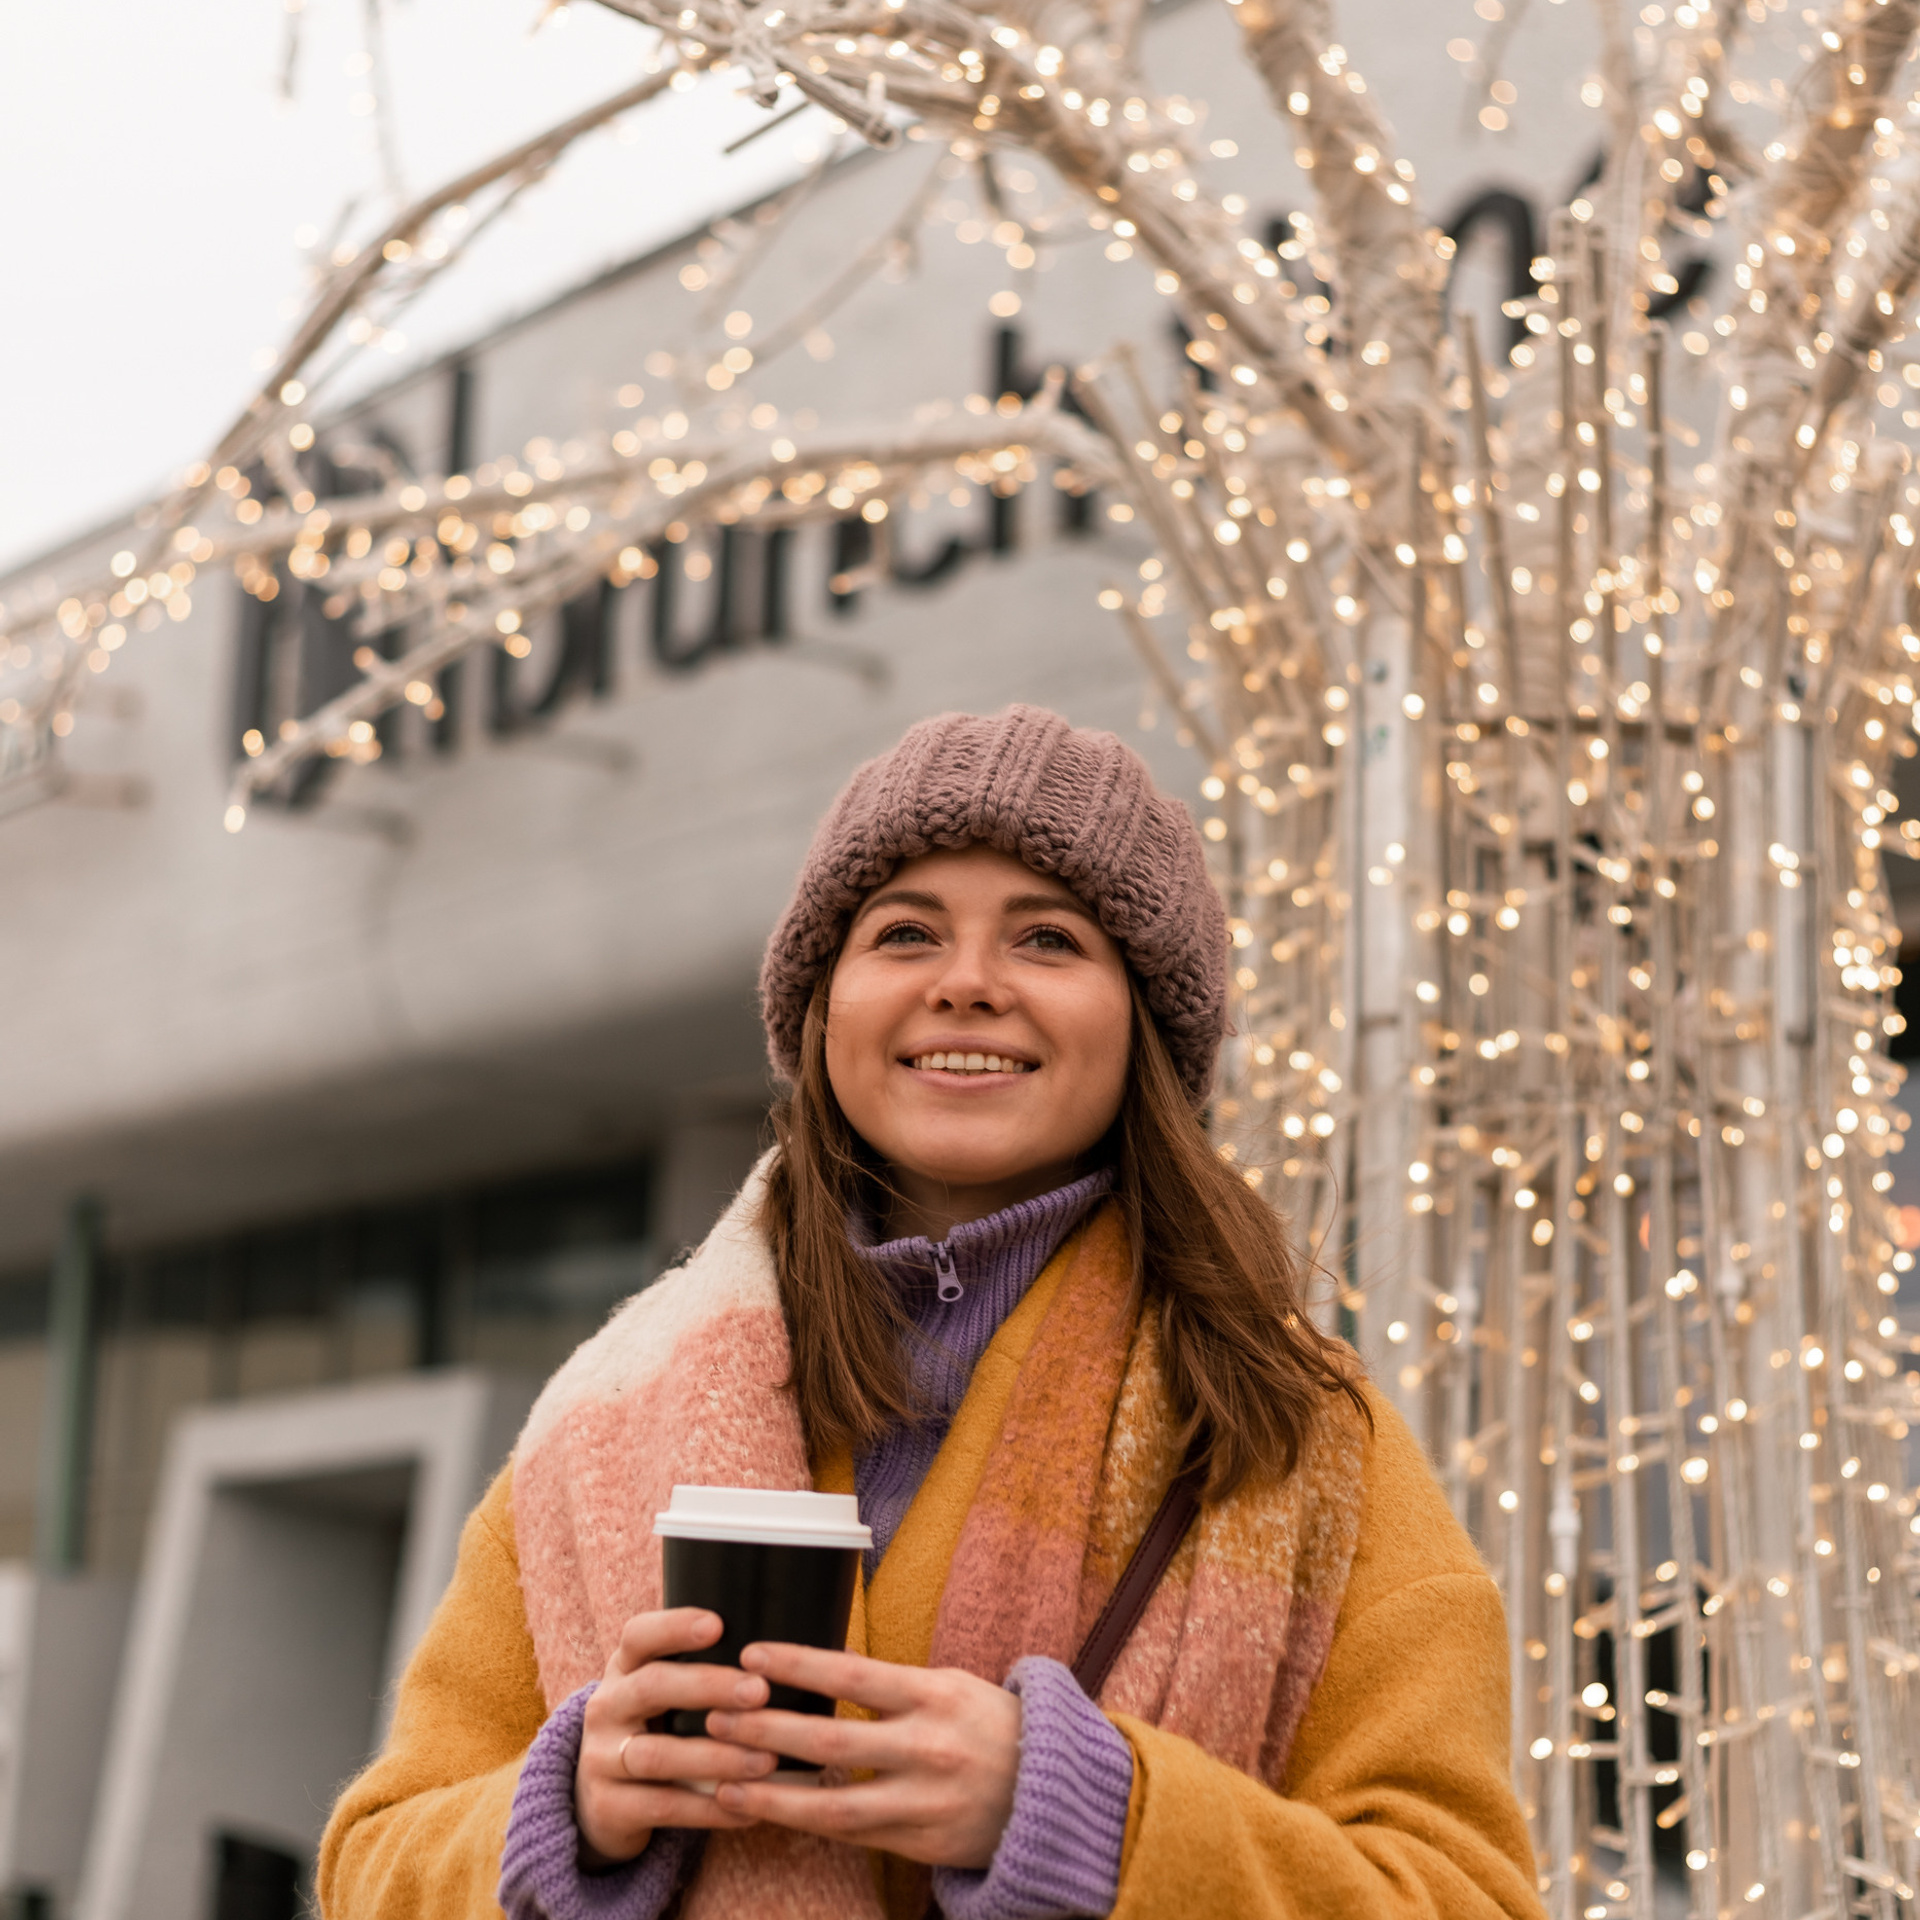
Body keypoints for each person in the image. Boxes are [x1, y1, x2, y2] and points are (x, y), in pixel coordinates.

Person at [319, 705, 1544, 1920]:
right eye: (905, 934)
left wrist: (1082, 1817)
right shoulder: (600, 1418)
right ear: (825, 1006)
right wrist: (573, 1803)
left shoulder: (1305, 1438)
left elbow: (1465, 1898)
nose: (967, 986)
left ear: (1144, 1030)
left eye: (1048, 941)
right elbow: (373, 1865)